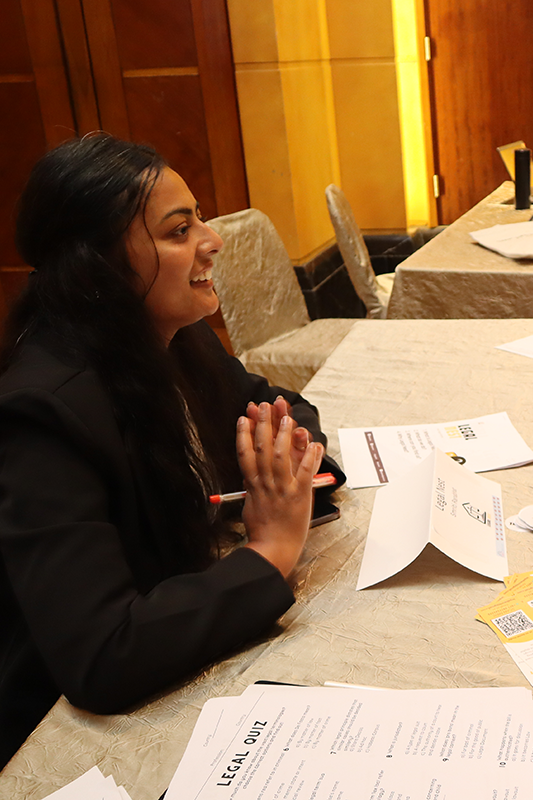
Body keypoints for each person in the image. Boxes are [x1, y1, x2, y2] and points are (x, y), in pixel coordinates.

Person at [0, 134, 344, 767]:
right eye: (180, 230)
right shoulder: (42, 414)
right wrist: (270, 551)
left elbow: (280, 405)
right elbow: (101, 654)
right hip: (60, 733)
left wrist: (285, 457)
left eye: (200, 219)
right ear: (98, 264)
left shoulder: (174, 335)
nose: (213, 241)